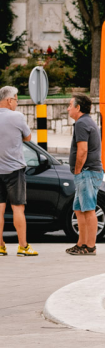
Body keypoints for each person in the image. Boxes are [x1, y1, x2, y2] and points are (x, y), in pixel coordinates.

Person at [0, 86, 35, 256]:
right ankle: (23, 246)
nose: (16, 103)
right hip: (14, 170)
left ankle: (0, 246)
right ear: (9, 100)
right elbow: (28, 137)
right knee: (18, 208)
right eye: (16, 100)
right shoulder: (17, 117)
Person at [66, 94, 103, 256]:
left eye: (69, 105)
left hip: (86, 172)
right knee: (79, 210)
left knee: (88, 209)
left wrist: (77, 170)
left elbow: (83, 150)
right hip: (87, 172)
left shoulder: (81, 123)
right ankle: (81, 243)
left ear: (78, 107)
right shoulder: (86, 122)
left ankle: (90, 246)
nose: (68, 108)